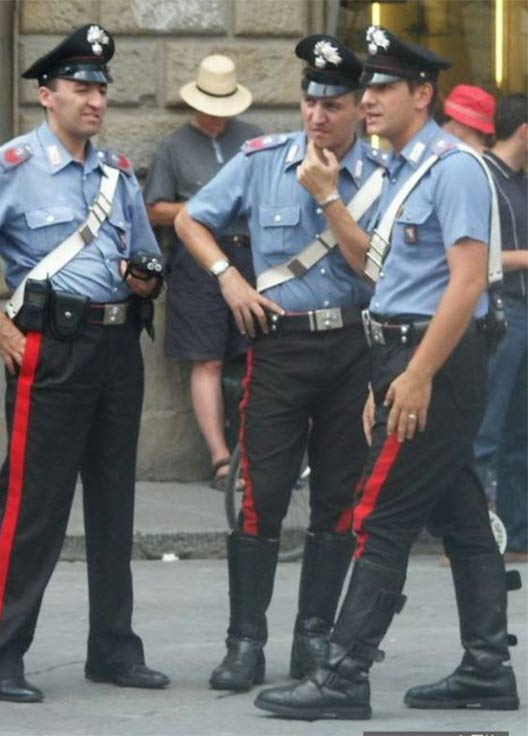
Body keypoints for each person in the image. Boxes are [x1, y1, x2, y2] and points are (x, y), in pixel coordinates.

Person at [255, 26, 520, 720]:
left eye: (381, 87)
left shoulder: (455, 168)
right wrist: (391, 373)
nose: (365, 99)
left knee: (378, 517)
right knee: (462, 514)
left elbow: (466, 286)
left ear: (421, 95)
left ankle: (343, 676)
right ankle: (488, 665)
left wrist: (417, 375)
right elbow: (383, 271)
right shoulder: (407, 170)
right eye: (365, 86)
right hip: (403, 352)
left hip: (435, 353)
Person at [0, 24, 169, 704]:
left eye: (101, 89)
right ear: (46, 94)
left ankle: (114, 650)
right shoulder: (11, 166)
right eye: (81, 88)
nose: (95, 100)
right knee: (33, 509)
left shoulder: (116, 172)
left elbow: (146, 258)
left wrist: (147, 279)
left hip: (119, 346)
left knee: (115, 506)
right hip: (52, 350)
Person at [175, 34, 385, 691]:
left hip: (353, 346)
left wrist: (329, 197)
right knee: (260, 495)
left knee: (337, 500)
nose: (318, 116)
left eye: (334, 104)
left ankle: (314, 640)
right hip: (281, 343)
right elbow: (191, 220)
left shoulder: (384, 173)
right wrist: (228, 280)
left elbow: (376, 267)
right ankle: (245, 644)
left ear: (358, 110)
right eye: (309, 101)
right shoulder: (263, 158)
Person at [144, 55, 260, 490]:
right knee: (207, 358)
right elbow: (154, 209)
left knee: (257, 356)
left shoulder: (253, 139)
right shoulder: (174, 146)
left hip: (248, 253)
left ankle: (257, 450)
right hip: (196, 258)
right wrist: (204, 210)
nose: (218, 116)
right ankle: (220, 457)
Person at [474, 94, 528, 558]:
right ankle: (469, 532)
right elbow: (474, 256)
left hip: (524, 311)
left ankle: (518, 531)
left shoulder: (521, 182)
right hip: (502, 310)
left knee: (520, 428)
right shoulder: (482, 178)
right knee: (487, 427)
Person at [440, 83, 495, 153]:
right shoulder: (448, 150)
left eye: (449, 119)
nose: (444, 126)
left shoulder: (484, 162)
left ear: (468, 124)